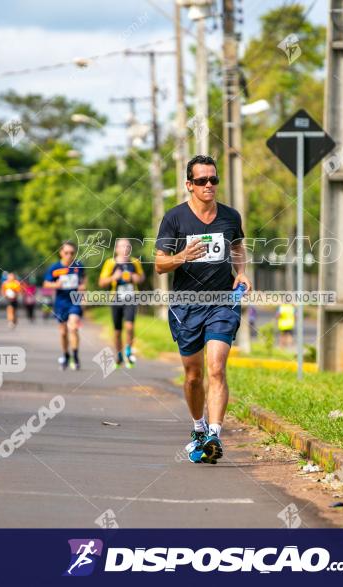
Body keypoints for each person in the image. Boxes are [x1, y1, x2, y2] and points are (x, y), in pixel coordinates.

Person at [155, 155, 252, 464]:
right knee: (194, 375)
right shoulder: (175, 218)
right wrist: (182, 255)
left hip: (222, 302)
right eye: (201, 181)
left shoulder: (230, 216)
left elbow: (237, 247)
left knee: (216, 368)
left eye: (213, 179)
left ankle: (214, 434)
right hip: (186, 307)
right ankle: (197, 428)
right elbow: (159, 264)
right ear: (189, 185)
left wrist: (241, 272)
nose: (209, 185)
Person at [98, 238, 145, 368]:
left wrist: (135, 277)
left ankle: (128, 351)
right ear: (117, 249)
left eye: (128, 247)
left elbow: (141, 277)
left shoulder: (135, 262)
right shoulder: (110, 263)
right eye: (123, 246)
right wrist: (114, 277)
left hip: (131, 298)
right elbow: (101, 282)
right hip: (116, 299)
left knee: (130, 326)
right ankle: (119, 355)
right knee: (118, 331)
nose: (126, 249)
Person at [43, 241, 86, 370]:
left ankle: (75, 356)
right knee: (63, 332)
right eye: (66, 252)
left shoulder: (78, 266)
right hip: (61, 303)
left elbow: (83, 282)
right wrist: (56, 285)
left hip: (74, 301)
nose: (69, 255)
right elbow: (46, 284)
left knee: (73, 328)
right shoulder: (55, 268)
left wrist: (83, 289)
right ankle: (66, 354)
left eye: (72, 253)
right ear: (61, 253)